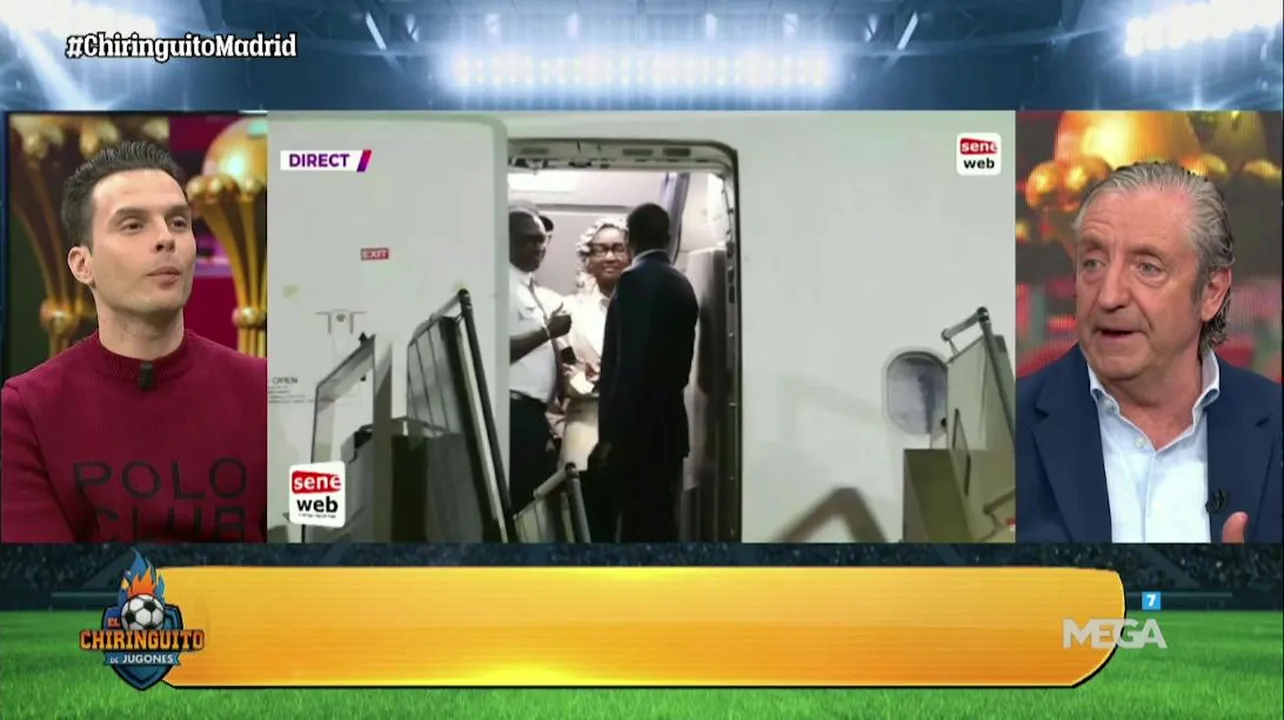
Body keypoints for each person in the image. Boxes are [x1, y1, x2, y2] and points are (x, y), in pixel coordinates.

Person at [1, 141, 268, 543]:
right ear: (82, 264)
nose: (165, 239)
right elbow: (41, 574)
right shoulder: (26, 412)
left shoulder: (265, 392)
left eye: (178, 222)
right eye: (133, 225)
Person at [1016, 161, 1282, 544]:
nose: (1108, 296)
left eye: (1147, 268)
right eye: (1093, 263)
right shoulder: (1005, 429)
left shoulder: (1274, 425)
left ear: (1211, 292)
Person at [590, 203, 698, 542]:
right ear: (668, 237)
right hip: (670, 425)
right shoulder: (682, 283)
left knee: (633, 527)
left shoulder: (634, 280)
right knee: (660, 523)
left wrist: (610, 437)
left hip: (638, 433)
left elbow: (630, 364)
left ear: (629, 238)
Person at [557, 216, 630, 541]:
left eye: (618, 248)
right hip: (585, 431)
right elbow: (566, 371)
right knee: (587, 529)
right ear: (588, 258)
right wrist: (597, 381)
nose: (610, 257)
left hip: (633, 436)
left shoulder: (644, 305)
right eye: (601, 250)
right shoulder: (569, 310)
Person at [507, 205, 569, 513]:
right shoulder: (500, 287)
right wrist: (547, 331)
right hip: (514, 411)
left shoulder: (530, 287)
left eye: (542, 239)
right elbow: (498, 349)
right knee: (521, 500)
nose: (538, 247)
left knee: (535, 499)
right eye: (528, 240)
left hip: (536, 413)